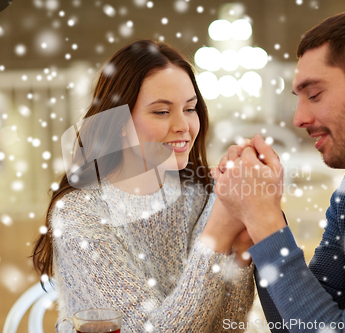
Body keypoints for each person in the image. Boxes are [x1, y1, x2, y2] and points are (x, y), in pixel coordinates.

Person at [212, 9, 345, 333]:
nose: (298, 118)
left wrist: (264, 220)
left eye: (314, 94)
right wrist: (259, 211)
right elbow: (298, 324)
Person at [31, 40, 255, 333]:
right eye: (162, 112)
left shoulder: (199, 196)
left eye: (190, 108)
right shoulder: (79, 214)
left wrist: (239, 255)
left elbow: (228, 327)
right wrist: (215, 237)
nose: (184, 126)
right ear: (119, 121)